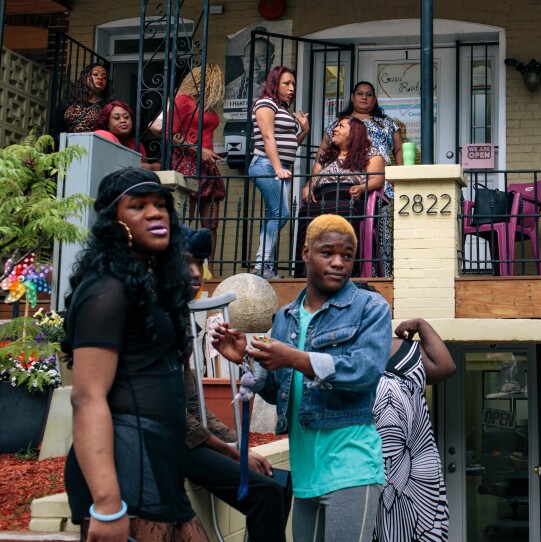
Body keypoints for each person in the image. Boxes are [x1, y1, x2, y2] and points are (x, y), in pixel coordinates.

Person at [211, 214, 391, 542]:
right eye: (327, 253)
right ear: (306, 253)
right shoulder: (285, 317)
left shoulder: (369, 307)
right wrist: (247, 359)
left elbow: (364, 372)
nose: (338, 263)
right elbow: (278, 391)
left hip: (352, 468)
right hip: (306, 473)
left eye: (347, 255)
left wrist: (294, 357)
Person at [62, 168, 209, 541]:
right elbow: (87, 397)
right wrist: (106, 502)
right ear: (114, 221)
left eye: (160, 205)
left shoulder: (148, 284)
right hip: (125, 465)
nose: (155, 213)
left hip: (159, 458)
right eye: (138, 206)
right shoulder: (107, 289)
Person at [179, 226, 289, 542]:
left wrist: (237, 444)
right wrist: (233, 453)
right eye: (186, 263)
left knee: (279, 482)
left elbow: (192, 404)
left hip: (184, 437)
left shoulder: (176, 316)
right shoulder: (156, 316)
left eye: (200, 263)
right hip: (163, 444)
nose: (196, 273)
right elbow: (175, 416)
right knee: (266, 492)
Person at [372, 316, 456, 542]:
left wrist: (421, 325)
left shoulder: (408, 350)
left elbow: (446, 367)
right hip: (365, 464)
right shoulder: (344, 350)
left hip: (413, 465)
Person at [316, 81, 403, 276]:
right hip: (344, 182)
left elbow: (398, 149)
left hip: (379, 182)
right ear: (352, 97)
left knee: (381, 229)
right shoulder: (339, 123)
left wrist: (400, 177)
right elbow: (323, 150)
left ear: (375, 99)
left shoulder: (387, 123)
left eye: (369, 94)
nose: (364, 97)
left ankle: (381, 272)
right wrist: (313, 180)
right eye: (360, 93)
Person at [294, 116, 384, 277]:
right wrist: (307, 188)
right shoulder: (326, 156)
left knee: (345, 210)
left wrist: (362, 187)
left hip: (350, 199)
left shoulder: (370, 153)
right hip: (322, 198)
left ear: (354, 132)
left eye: (341, 126)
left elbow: (378, 179)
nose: (335, 129)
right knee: (305, 213)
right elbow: (313, 179)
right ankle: (304, 272)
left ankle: (349, 271)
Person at [249, 66, 310, 279]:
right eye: (286, 83)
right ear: (275, 84)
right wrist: (277, 169)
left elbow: (290, 144)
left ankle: (263, 265)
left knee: (276, 214)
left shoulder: (282, 108)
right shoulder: (265, 103)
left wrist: (304, 130)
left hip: (279, 167)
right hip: (266, 164)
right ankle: (262, 265)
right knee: (280, 213)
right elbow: (268, 138)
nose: (291, 88)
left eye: (293, 83)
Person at [170, 63, 225, 268]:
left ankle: (209, 270)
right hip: (188, 162)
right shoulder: (183, 101)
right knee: (187, 219)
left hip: (208, 166)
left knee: (211, 224)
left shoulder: (206, 106)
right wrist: (198, 150)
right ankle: (183, 266)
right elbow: (170, 134)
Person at [94, 100, 159, 171]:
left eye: (126, 117)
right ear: (107, 124)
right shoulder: (102, 135)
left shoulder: (136, 144)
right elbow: (120, 164)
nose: (123, 120)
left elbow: (143, 172)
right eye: (116, 118)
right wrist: (152, 167)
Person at [55, 63, 113, 135]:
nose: (100, 78)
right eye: (95, 74)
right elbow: (58, 133)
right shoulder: (67, 104)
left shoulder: (108, 107)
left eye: (104, 77)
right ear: (85, 77)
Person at [225, 31, 275, 101]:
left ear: (272, 60)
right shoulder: (230, 90)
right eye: (249, 60)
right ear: (243, 60)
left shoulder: (280, 85)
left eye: (262, 60)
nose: (255, 67)